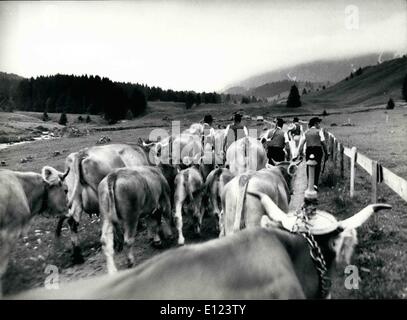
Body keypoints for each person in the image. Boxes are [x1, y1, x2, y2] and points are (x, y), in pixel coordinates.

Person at [297, 117, 329, 191]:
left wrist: (300, 152)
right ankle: (315, 184)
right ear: (315, 124)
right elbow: (323, 143)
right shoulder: (319, 131)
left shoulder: (306, 132)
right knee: (317, 166)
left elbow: (302, 144)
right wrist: (326, 153)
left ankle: (309, 183)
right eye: (318, 123)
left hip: (309, 150)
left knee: (309, 166)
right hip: (317, 150)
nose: (319, 125)